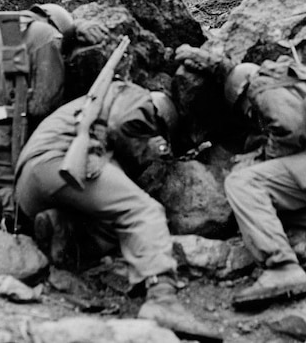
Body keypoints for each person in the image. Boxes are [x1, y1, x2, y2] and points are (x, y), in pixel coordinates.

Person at [14, 80, 222, 342]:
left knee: (114, 223)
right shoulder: (139, 98)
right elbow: (122, 124)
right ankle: (162, 299)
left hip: (30, 185)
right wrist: (150, 149)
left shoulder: (97, 102)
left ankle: (62, 228)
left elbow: (111, 147)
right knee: (144, 211)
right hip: (62, 162)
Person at [176, 45, 306, 309]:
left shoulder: (261, 87)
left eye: (245, 110)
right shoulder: (289, 79)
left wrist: (264, 157)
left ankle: (282, 267)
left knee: (242, 183)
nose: (250, 115)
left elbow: (292, 129)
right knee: (261, 202)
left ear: (241, 94)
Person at [0, 3, 106, 236]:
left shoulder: (5, 31)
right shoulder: (47, 36)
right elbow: (44, 105)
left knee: (6, 186)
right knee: (40, 188)